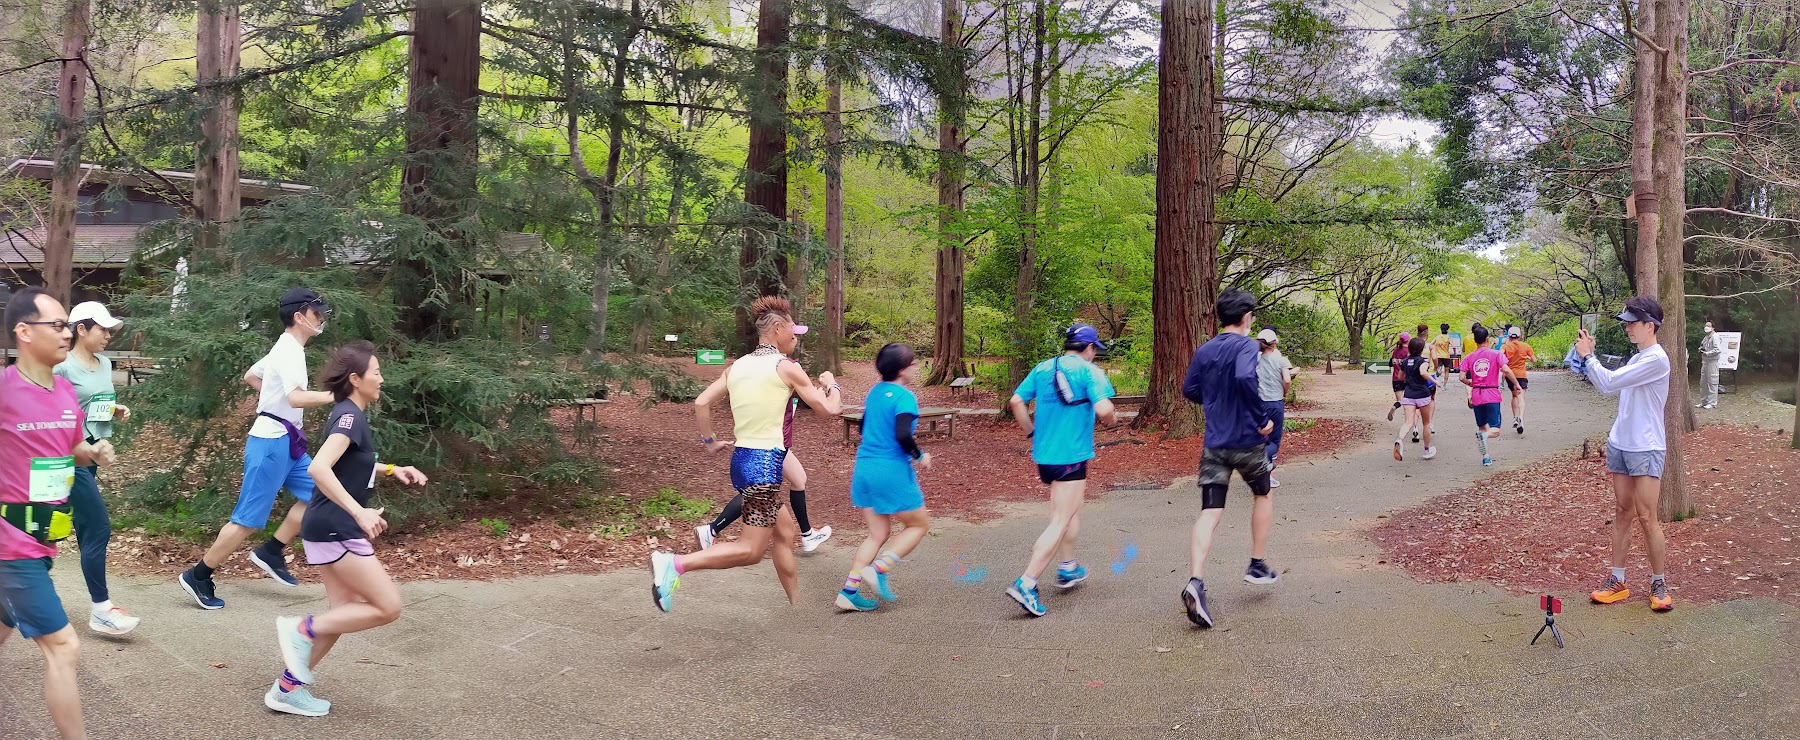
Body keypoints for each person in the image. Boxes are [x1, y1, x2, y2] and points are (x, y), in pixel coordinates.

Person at [649, 297, 841, 611]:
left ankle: (798, 607)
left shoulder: (736, 367)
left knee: (785, 532)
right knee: (751, 551)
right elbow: (829, 410)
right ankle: (675, 564)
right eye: (792, 330)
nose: (795, 337)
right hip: (764, 467)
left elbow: (701, 403)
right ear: (777, 329)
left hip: (742, 462)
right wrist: (832, 385)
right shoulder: (786, 367)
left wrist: (710, 441)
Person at [269, 342, 429, 716]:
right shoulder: (349, 417)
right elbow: (319, 468)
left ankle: (287, 690)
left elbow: (350, 463)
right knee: (387, 607)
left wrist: (392, 469)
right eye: (376, 372)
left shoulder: (348, 413)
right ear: (356, 379)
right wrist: (359, 512)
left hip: (326, 526)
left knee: (341, 616)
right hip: (336, 528)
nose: (381, 379)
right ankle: (301, 629)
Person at [1, 286, 118, 739]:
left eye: (67, 325)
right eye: (57, 325)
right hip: (11, 544)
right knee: (64, 648)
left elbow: (71, 447)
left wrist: (94, 450)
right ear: (24, 332)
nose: (67, 333)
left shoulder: (64, 390)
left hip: (45, 536)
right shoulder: (4, 390)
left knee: (4, 622)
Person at [180, 288, 337, 609]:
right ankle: (198, 575)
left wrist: (273, 399)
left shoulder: (285, 347)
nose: (321, 318)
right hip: (270, 444)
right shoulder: (290, 351)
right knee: (247, 520)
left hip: (287, 442)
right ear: (299, 317)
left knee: (320, 493)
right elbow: (296, 398)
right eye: (316, 313)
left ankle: (271, 551)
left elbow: (251, 375)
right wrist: (338, 396)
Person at [1180, 290, 1279, 629]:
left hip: (1215, 443)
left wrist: (1216, 400)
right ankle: (1257, 564)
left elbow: (1190, 390)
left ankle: (1196, 580)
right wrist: (1261, 416)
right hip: (1247, 442)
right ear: (1246, 316)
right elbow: (1243, 377)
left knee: (1210, 511)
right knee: (1263, 493)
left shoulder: (1205, 349)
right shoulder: (1248, 346)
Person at [1003, 323, 1117, 617]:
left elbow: (1016, 401)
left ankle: (1068, 566)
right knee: (1060, 519)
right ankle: (1027, 582)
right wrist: (1111, 420)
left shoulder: (1043, 367)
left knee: (1069, 510)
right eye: (1095, 350)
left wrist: (1030, 431)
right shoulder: (1089, 371)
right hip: (1071, 456)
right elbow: (1104, 410)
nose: (1094, 355)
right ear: (1089, 348)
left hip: (1045, 456)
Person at [1574, 297, 1674, 612]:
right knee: (1622, 512)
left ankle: (1658, 583)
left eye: (1633, 323)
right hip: (1621, 443)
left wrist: (1588, 356)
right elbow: (1610, 384)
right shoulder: (1637, 357)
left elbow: (1608, 383)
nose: (1628, 328)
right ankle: (1617, 580)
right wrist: (1590, 358)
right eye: (1627, 323)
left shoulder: (1656, 359)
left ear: (1650, 326)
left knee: (1647, 517)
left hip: (1647, 447)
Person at [52, 301, 139, 635]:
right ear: (81, 329)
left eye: (109, 330)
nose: (108, 335)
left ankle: (17, 592)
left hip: (90, 456)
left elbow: (93, 402)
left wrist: (115, 408)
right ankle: (101, 610)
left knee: (59, 526)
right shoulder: (62, 365)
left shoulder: (104, 363)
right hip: (65, 455)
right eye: (102, 329)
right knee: (98, 527)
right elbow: (52, 409)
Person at [836, 344, 932, 611]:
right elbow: (902, 435)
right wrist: (920, 455)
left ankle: (849, 591)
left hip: (864, 468)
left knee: (877, 534)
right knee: (918, 525)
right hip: (890, 470)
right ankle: (879, 568)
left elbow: (864, 427)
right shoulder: (905, 397)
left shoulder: (875, 392)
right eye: (913, 363)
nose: (916, 367)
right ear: (902, 370)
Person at [694, 396, 831, 553]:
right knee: (757, 492)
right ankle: (711, 530)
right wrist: (831, 387)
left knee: (799, 479)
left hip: (777, 442)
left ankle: (807, 535)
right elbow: (826, 408)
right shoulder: (784, 381)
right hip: (770, 445)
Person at [1458, 324, 1515, 467]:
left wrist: (1469, 383)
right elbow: (1507, 370)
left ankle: (1486, 457)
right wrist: (1516, 384)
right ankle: (1485, 437)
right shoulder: (1496, 354)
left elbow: (1461, 377)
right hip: (1492, 394)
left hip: (1477, 394)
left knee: (1482, 426)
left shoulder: (1469, 357)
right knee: (1495, 429)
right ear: (1487, 339)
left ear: (1475, 340)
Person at [1255, 329, 1296, 488]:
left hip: (1259, 404)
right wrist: (1285, 392)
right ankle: (1260, 464)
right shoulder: (1281, 360)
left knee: (1261, 437)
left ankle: (1265, 474)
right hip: (1275, 403)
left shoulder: (1256, 360)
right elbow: (1287, 379)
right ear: (1274, 343)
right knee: (1274, 441)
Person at [1392, 336, 1438, 462]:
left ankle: (1399, 440)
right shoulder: (1423, 361)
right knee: (1426, 423)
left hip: (1408, 395)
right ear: (1421, 350)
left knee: (1408, 422)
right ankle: (1427, 450)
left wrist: (1409, 379)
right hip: (1422, 395)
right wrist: (1434, 381)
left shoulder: (1405, 361)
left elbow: (1400, 377)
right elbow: (1423, 372)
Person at [1503, 326, 1535, 435]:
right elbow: (1534, 360)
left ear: (1509, 336)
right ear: (1519, 336)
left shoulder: (1506, 346)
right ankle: (1521, 417)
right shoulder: (1526, 346)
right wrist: (1527, 357)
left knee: (1514, 396)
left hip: (1510, 375)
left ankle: (1515, 417)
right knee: (1521, 396)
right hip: (1522, 375)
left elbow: (1499, 354)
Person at [1386, 332, 1410, 422]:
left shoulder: (1395, 350)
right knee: (1409, 400)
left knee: (1400, 400)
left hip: (1395, 378)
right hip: (1406, 378)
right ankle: (1408, 419)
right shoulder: (1408, 351)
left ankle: (1394, 407)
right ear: (1408, 340)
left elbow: (1390, 363)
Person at [1697, 321, 1720, 409]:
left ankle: (1712, 403)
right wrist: (1701, 349)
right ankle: (1704, 401)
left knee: (1712, 382)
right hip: (1705, 362)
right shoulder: (1706, 337)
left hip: (1712, 362)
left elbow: (1717, 350)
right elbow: (1702, 346)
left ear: (1713, 328)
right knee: (1703, 383)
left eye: (1708, 326)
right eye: (1705, 325)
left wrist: (1708, 353)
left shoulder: (1715, 337)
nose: (1706, 327)